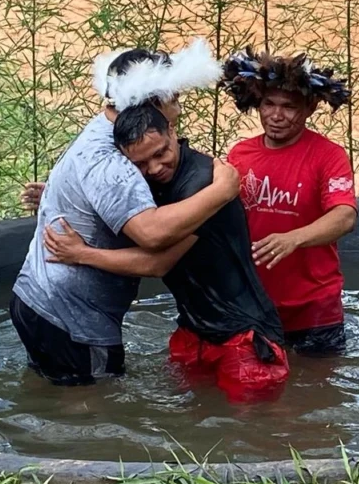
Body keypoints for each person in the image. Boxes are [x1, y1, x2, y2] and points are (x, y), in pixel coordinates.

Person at [10, 39, 241, 386]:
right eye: (174, 101)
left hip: (40, 300)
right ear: (150, 104)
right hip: (72, 317)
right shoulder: (111, 159)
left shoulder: (104, 130)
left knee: (54, 402)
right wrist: (222, 192)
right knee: (93, 416)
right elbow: (152, 236)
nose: (178, 111)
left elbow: (101, 193)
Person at [43, 103, 289, 404]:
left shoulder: (205, 184)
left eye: (160, 153)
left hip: (246, 337)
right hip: (194, 332)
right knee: (194, 429)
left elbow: (157, 263)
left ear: (172, 131)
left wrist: (81, 254)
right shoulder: (154, 181)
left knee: (256, 431)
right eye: (141, 164)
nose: (155, 169)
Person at [220, 48, 358, 357]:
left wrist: (293, 239)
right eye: (269, 104)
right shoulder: (240, 154)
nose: (276, 115)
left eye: (288, 107)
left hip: (314, 307)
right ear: (258, 102)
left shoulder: (329, 156)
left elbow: (345, 216)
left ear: (309, 108)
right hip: (254, 301)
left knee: (316, 393)